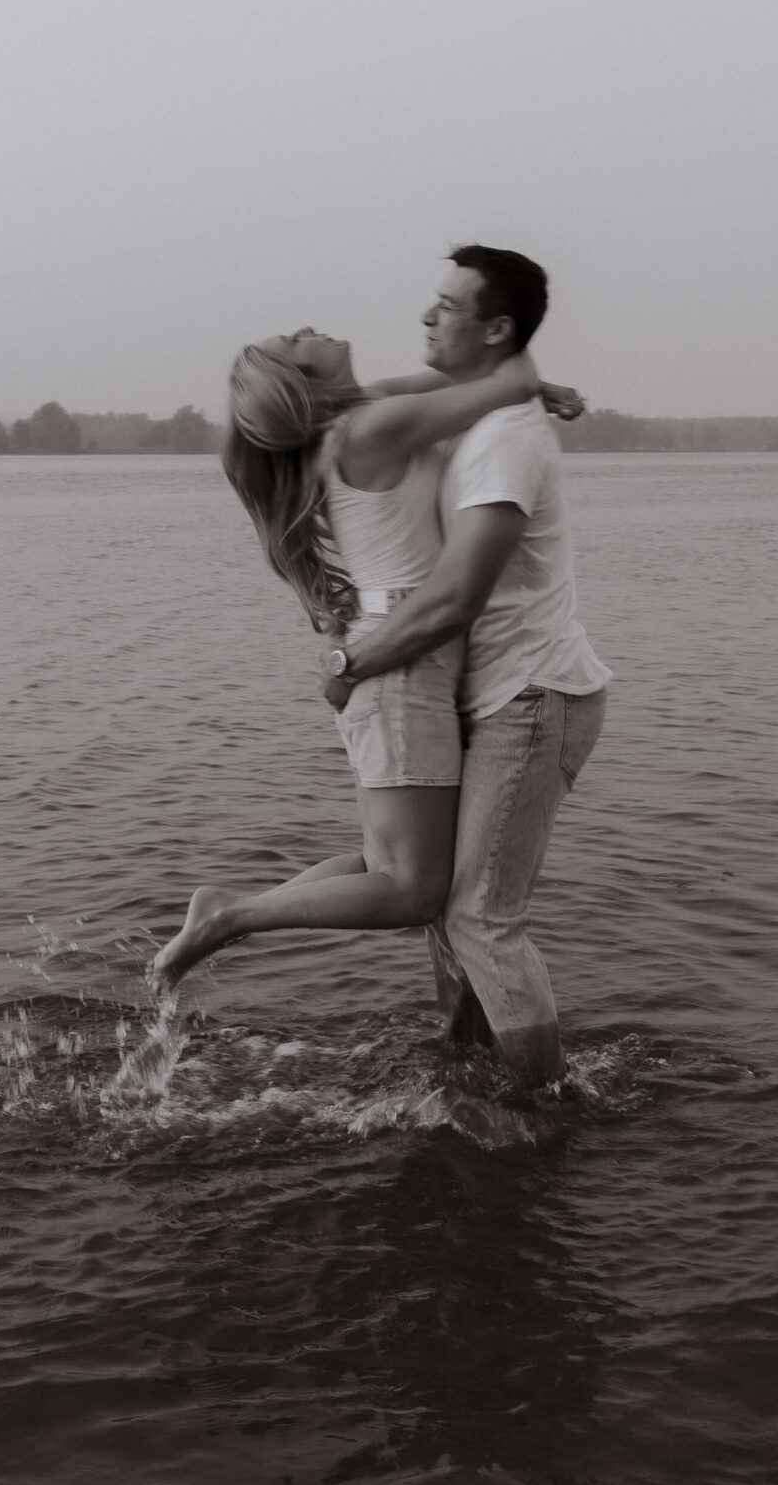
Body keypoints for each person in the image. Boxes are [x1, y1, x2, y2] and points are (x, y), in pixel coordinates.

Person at [147, 319, 576, 989]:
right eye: (294, 344)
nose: (305, 328)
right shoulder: (372, 429)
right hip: (402, 666)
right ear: (304, 382)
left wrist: (520, 384)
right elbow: (501, 381)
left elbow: (474, 380)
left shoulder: (364, 414)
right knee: (412, 890)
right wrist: (526, 378)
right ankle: (231, 915)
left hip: (398, 659)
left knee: (389, 862)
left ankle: (231, 915)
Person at [320, 247, 611, 1087]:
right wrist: (528, 378)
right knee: (445, 910)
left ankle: (541, 1104)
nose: (425, 317)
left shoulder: (500, 447)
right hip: (487, 698)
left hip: (532, 695)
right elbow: (363, 397)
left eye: (447, 306)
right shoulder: (475, 414)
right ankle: (467, 1063)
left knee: (481, 916)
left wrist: (352, 659)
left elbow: (455, 599)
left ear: (495, 328)